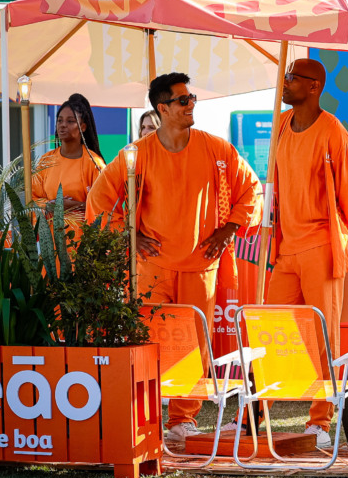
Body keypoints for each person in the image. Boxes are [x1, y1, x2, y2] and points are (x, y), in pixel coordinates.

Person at [86, 72, 262, 447]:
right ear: (162, 109)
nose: (191, 105)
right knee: (149, 345)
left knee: (193, 345)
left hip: (201, 266)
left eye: (192, 97)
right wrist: (129, 235)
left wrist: (229, 229)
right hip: (152, 268)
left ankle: (183, 420)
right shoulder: (136, 154)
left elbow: (252, 190)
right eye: (183, 100)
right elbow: (97, 201)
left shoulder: (217, 149)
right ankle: (145, 418)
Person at [266, 58, 348, 449]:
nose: (284, 83)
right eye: (285, 76)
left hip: (321, 246)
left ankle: (320, 423)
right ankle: (258, 413)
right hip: (286, 247)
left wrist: (328, 227)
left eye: (291, 78)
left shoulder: (333, 132)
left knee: (324, 336)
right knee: (272, 329)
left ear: (313, 87)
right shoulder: (280, 126)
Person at [31, 94, 105, 243]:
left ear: (83, 127)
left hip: (83, 247)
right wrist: (49, 205)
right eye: (60, 120)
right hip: (50, 245)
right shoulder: (46, 160)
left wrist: (77, 206)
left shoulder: (94, 164)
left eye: (70, 121)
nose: (63, 125)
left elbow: (105, 208)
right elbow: (31, 198)